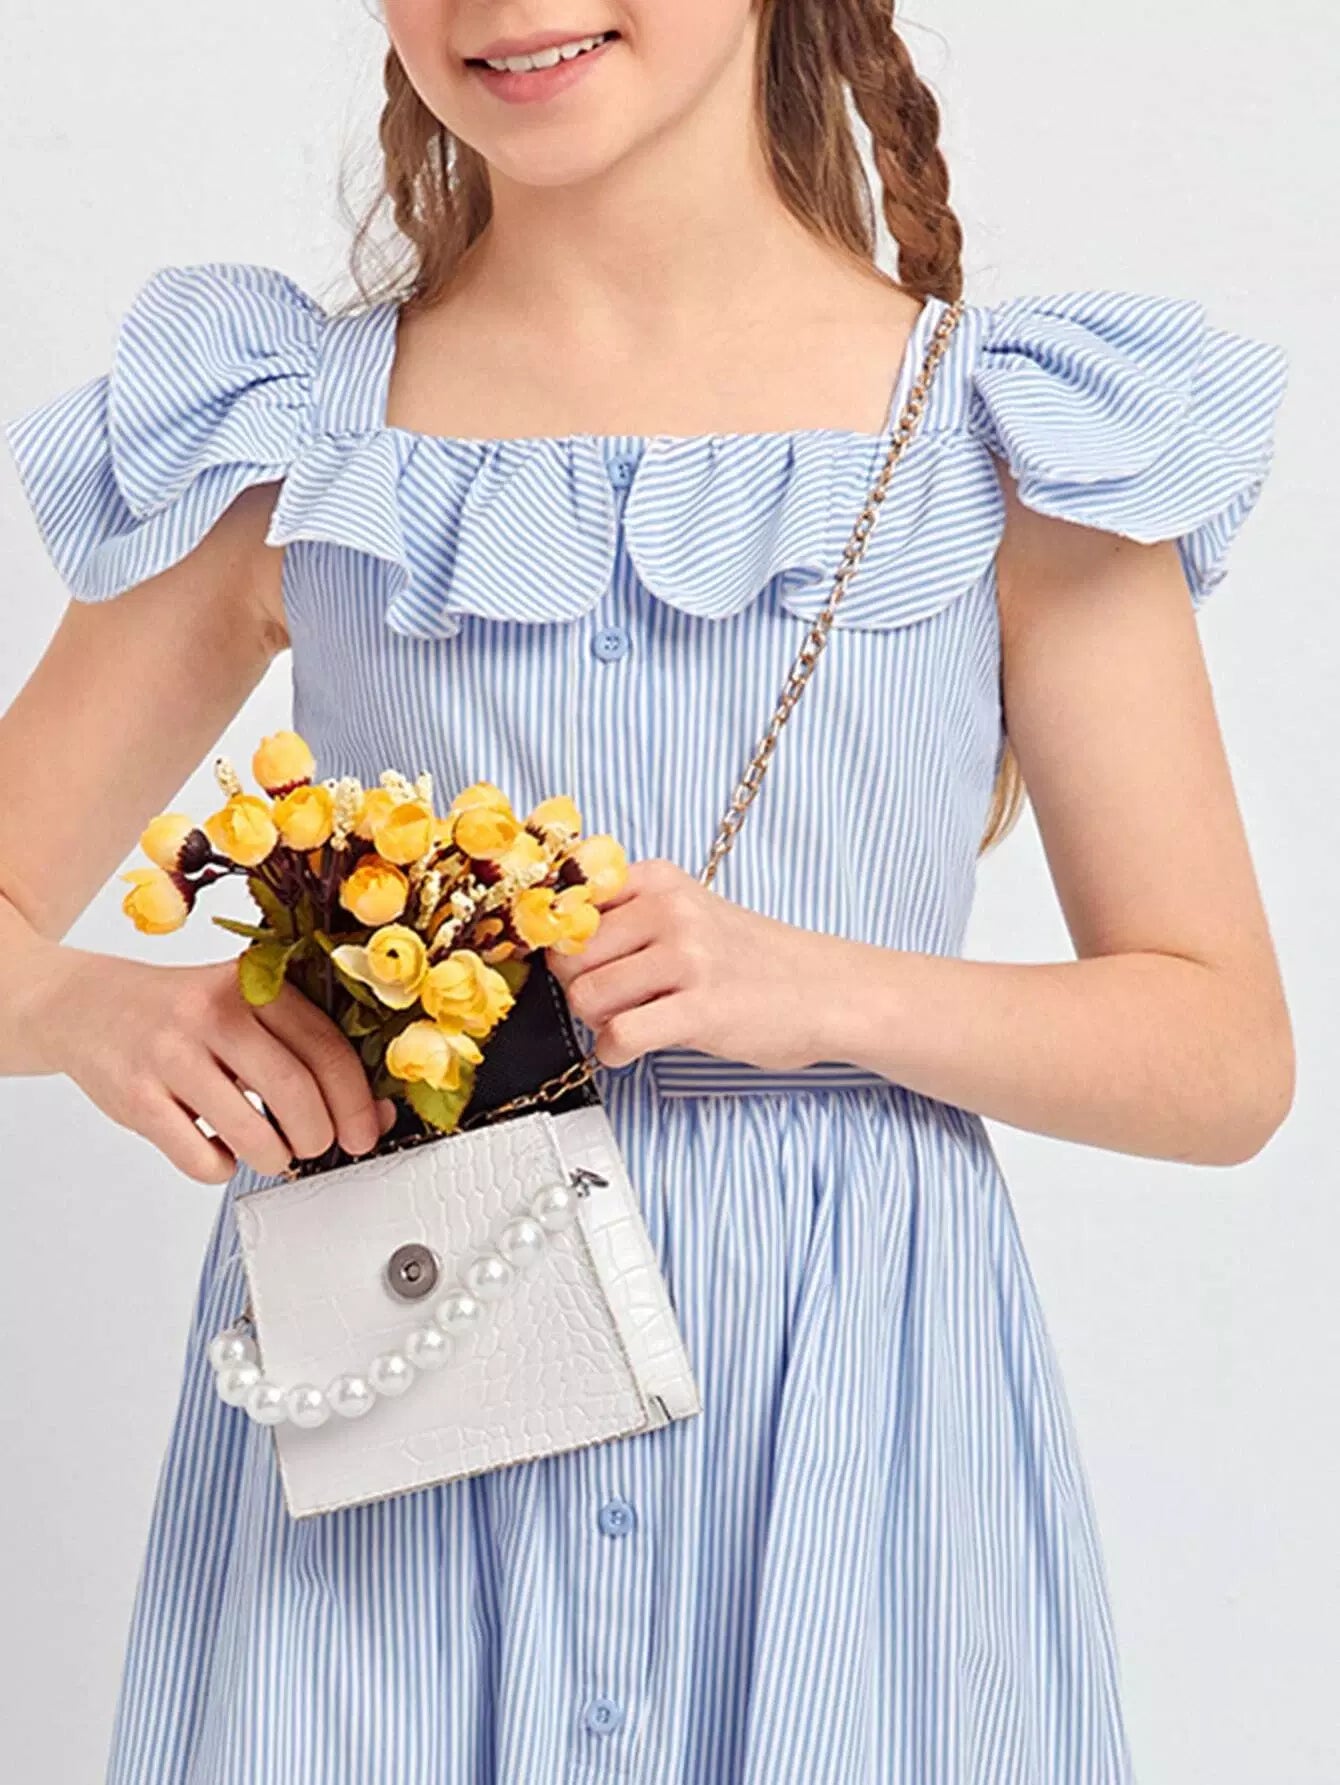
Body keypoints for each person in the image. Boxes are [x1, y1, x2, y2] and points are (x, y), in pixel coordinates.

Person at [0, 4, 1294, 1783]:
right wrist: (91, 1006)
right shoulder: (295, 437)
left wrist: (822, 992)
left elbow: (1222, 1050)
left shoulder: (1003, 436)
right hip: (398, 1428)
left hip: (843, 1452)